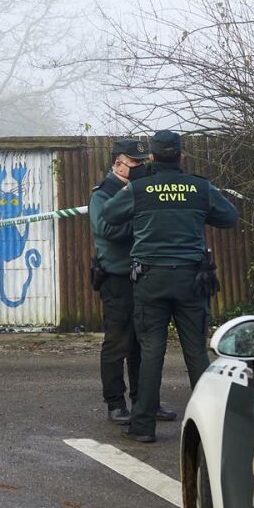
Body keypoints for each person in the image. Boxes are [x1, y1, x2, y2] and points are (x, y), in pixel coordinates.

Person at [100, 130, 238, 443]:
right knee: (196, 352)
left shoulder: (138, 189)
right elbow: (229, 217)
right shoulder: (199, 187)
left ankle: (143, 427)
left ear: (151, 157)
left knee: (151, 351)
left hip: (151, 280)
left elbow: (110, 214)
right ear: (181, 155)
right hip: (191, 280)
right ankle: (212, 426)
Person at [90, 138, 176, 424]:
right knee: (118, 343)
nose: (140, 167)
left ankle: (145, 401)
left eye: (143, 162)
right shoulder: (103, 193)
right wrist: (143, 223)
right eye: (134, 163)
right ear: (118, 164)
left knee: (144, 342)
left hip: (143, 276)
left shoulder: (142, 189)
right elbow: (105, 229)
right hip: (117, 277)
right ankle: (115, 403)